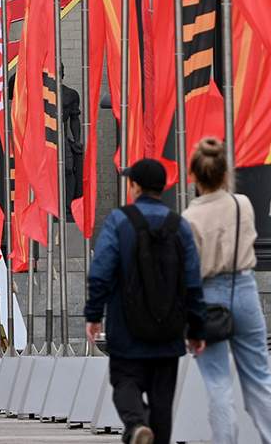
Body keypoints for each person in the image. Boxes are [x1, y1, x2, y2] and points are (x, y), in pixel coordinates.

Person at [86, 157, 205, 444]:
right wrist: (197, 328)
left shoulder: (118, 221)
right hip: (169, 329)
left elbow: (101, 271)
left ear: (135, 186)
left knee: (124, 382)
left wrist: (93, 314)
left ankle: (137, 423)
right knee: (162, 400)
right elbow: (192, 281)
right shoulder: (180, 226)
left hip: (127, 326)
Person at [182, 140, 271, 444]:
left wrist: (191, 322)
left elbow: (189, 273)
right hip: (244, 289)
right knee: (259, 378)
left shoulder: (189, 218)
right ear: (225, 173)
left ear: (194, 176)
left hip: (207, 296)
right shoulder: (241, 204)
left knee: (217, 384)